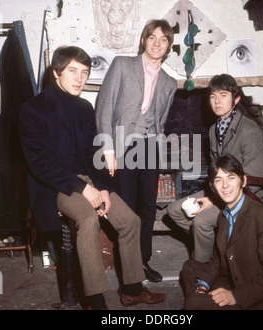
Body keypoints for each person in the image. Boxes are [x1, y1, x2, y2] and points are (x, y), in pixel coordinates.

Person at [19, 45, 166, 310]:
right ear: (56, 73)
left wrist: (104, 188)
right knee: (87, 220)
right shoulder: (33, 109)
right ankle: (95, 300)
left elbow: (93, 152)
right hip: (55, 184)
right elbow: (39, 164)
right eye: (72, 71)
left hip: (87, 179)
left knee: (131, 221)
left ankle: (132, 289)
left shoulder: (85, 107)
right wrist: (82, 188)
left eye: (85, 72)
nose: (79, 78)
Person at [96, 19, 178, 282]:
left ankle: (142, 262)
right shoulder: (122, 64)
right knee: (127, 208)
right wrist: (108, 149)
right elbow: (104, 108)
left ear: (169, 46)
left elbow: (161, 121)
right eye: (152, 37)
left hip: (149, 147)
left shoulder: (170, 82)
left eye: (163, 39)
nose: (157, 43)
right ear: (144, 40)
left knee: (147, 208)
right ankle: (126, 269)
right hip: (122, 145)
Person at [167, 73, 263, 263]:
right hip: (224, 190)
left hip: (248, 196)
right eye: (213, 96)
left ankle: (204, 270)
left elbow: (252, 180)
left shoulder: (249, 131)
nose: (217, 101)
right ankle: (219, 249)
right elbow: (216, 171)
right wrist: (212, 195)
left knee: (201, 222)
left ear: (236, 99)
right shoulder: (214, 129)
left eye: (223, 95)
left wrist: (213, 201)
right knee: (174, 210)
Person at [181, 154, 263, 310]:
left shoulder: (262, 217)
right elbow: (220, 258)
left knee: (192, 303)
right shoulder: (223, 216)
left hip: (257, 295)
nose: (225, 185)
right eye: (219, 180)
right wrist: (203, 284)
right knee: (189, 268)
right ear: (212, 186)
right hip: (234, 277)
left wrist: (235, 296)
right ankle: (202, 295)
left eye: (231, 177)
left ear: (243, 181)